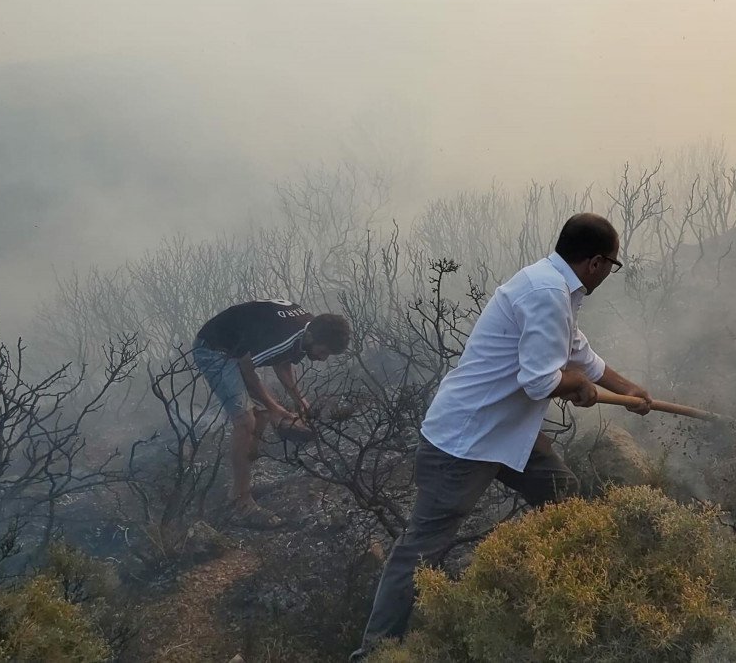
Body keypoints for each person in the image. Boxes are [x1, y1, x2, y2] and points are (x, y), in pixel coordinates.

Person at [353, 213, 652, 658]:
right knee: (420, 550)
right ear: (594, 262)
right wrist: (577, 387)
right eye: (613, 263)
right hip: (464, 441)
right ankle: (375, 653)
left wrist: (625, 389)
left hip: (506, 430)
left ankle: (563, 602)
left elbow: (578, 353)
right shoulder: (547, 292)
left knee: (561, 493)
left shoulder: (556, 288)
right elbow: (539, 382)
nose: (610, 272)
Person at [191, 299, 351, 527]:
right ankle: (240, 501)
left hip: (236, 347)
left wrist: (299, 400)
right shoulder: (286, 335)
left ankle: (246, 472)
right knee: (246, 421)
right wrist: (277, 408)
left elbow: (283, 361)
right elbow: (247, 369)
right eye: (323, 352)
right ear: (312, 338)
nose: (322, 358)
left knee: (262, 415)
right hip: (214, 349)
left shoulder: (307, 331)